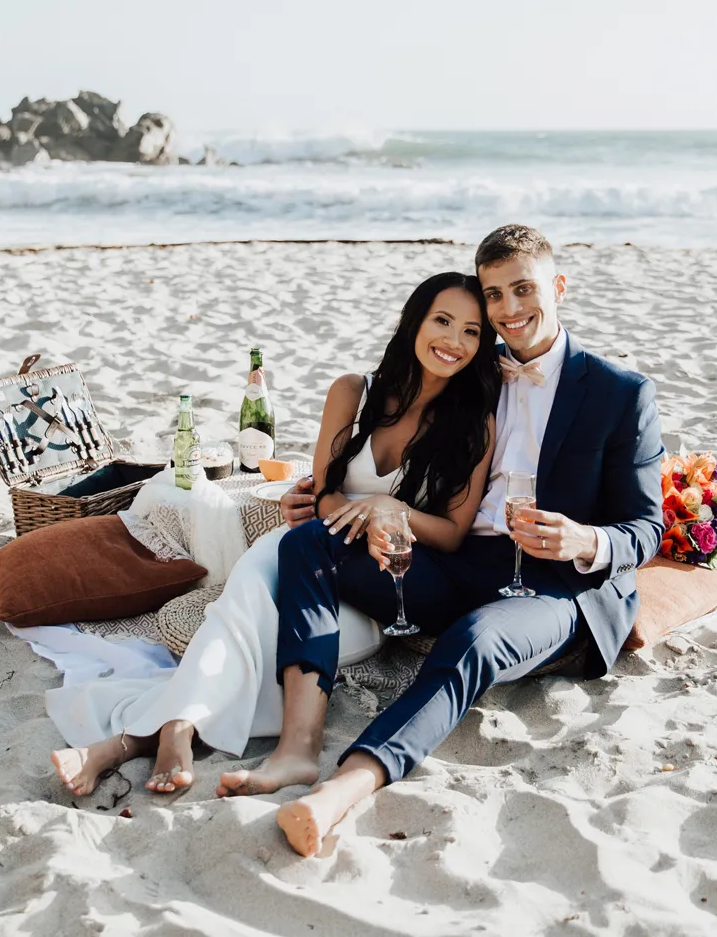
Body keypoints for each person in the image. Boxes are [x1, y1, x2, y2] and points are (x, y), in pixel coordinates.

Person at [224, 223, 665, 857]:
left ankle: (347, 786)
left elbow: (646, 528)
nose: (508, 310)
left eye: (523, 290)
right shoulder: (469, 362)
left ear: (558, 286)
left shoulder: (621, 393)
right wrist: (322, 491)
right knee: (307, 543)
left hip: (556, 583)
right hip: (456, 559)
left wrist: (583, 540)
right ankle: (297, 747)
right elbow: (389, 422)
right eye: (493, 295)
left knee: (475, 638)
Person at [49, 271, 500, 796]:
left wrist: (389, 508)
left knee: (257, 632)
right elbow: (325, 493)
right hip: (312, 549)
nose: (454, 341)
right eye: (442, 321)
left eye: (472, 331)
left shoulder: (475, 421)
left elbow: (450, 533)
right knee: (246, 609)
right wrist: (358, 509)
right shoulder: (354, 392)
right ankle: (171, 731)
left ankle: (137, 738)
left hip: (377, 579)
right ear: (414, 322)